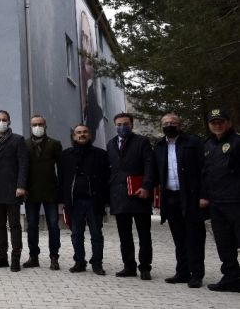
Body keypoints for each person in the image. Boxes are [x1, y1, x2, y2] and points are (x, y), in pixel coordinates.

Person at [153, 113, 207, 288]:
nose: (170, 125)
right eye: (166, 123)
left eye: (173, 122)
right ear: (162, 126)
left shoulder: (193, 142)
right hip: (171, 197)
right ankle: (182, 272)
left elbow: (204, 170)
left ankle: (197, 274)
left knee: (195, 238)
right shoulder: (159, 145)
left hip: (191, 197)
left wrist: (204, 195)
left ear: (180, 125)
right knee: (179, 238)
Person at [107, 112, 155, 280]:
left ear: (132, 125)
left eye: (126, 124)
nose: (122, 127)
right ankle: (129, 266)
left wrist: (146, 186)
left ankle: (145, 267)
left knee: (144, 234)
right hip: (119, 197)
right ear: (115, 126)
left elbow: (150, 166)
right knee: (124, 235)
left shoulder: (142, 142)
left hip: (139, 195)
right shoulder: (111, 144)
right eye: (119, 124)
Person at [59, 124, 110, 275]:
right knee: (76, 234)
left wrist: (105, 200)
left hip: (94, 201)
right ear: (74, 136)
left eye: (85, 132)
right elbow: (61, 179)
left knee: (96, 234)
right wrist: (63, 200)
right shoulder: (66, 155)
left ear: (90, 135)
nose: (82, 135)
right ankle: (79, 262)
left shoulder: (101, 154)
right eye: (78, 133)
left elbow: (106, 178)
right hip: (75, 202)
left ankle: (97, 263)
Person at [200, 108, 240, 292]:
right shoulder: (208, 145)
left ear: (229, 122)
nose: (218, 125)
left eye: (221, 121)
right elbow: (205, 173)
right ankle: (231, 278)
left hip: (236, 201)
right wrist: (204, 196)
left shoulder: (238, 142)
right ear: (209, 125)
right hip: (216, 203)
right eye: (214, 122)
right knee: (224, 244)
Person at [0, 110, 29, 272]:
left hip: (13, 190)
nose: (1, 122)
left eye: (4, 119)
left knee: (15, 225)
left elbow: (23, 164)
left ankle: (15, 258)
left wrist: (21, 186)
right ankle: (2, 256)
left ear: (9, 121)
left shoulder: (18, 140)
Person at [23, 114, 63, 270]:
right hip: (31, 192)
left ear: (45, 126)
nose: (37, 127)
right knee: (32, 225)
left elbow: (61, 169)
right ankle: (33, 256)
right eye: (34, 124)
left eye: (40, 124)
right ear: (31, 126)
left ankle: (54, 257)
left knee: (53, 224)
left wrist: (61, 191)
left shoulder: (55, 144)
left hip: (50, 192)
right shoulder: (24, 144)